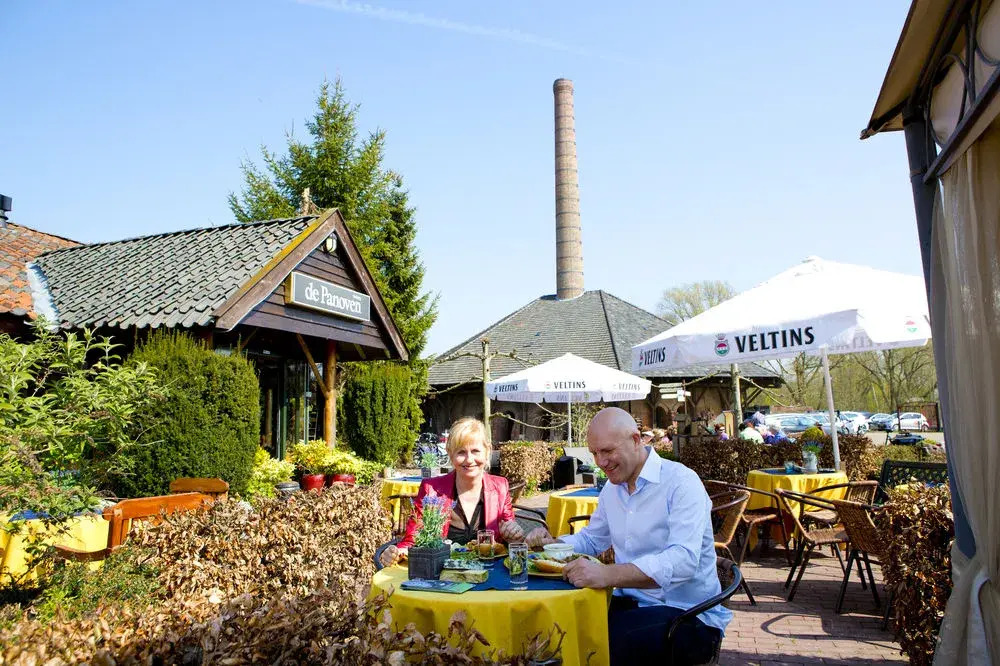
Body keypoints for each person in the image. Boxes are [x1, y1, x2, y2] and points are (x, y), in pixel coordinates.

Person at [523, 407, 731, 664]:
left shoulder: (682, 482)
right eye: (594, 453)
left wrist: (607, 575)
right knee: (559, 628)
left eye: (607, 451)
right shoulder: (613, 489)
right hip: (632, 603)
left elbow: (683, 561)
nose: (600, 462)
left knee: (596, 644)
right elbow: (591, 540)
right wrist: (554, 544)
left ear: (635, 440)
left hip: (689, 616)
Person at [378, 417, 524, 567]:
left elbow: (509, 536)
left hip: (490, 574)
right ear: (450, 453)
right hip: (443, 577)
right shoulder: (431, 490)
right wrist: (396, 553)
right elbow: (413, 539)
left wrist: (514, 536)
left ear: (487, 451)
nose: (469, 459)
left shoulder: (500, 487)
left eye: (475, 451)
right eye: (461, 452)